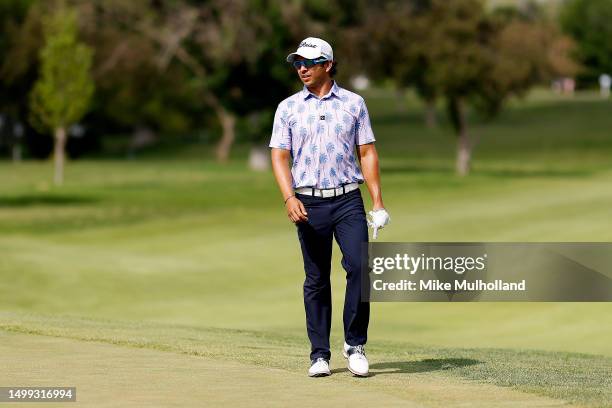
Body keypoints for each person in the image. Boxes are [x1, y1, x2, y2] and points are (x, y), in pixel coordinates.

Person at [269, 37, 390, 377]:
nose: (301, 68)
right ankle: (319, 354)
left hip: (348, 198)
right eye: (297, 63)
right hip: (307, 202)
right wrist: (288, 196)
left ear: (328, 64)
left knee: (359, 267)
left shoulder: (354, 103)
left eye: (308, 62)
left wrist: (377, 201)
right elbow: (279, 156)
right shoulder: (288, 107)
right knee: (317, 278)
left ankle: (355, 345)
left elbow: (366, 152)